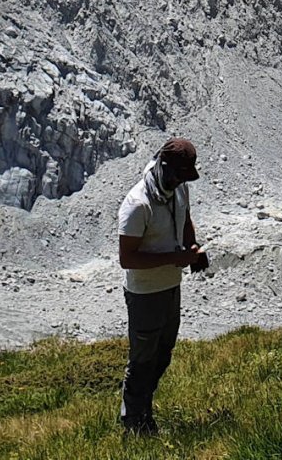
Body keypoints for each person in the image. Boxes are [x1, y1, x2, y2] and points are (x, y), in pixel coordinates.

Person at [117, 136, 208, 434]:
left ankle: (143, 409)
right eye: (179, 175)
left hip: (171, 286)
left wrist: (192, 250)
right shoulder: (136, 204)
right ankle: (134, 422)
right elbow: (127, 258)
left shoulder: (178, 188)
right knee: (142, 359)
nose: (182, 181)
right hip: (144, 293)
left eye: (186, 176)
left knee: (163, 352)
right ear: (163, 166)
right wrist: (175, 257)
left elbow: (185, 220)